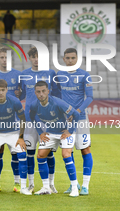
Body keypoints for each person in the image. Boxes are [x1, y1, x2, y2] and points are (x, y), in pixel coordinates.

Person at [20, 46, 61, 193]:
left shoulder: (51, 73)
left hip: (47, 120)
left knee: (47, 152)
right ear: (30, 58)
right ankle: (31, 184)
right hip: (30, 120)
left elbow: (57, 94)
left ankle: (50, 184)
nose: (36, 59)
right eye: (33, 56)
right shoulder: (24, 74)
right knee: (30, 152)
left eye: (39, 56)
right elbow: (22, 95)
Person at [29, 81, 80, 197]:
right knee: (41, 155)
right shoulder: (34, 105)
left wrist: (70, 131)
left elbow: (76, 114)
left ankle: (74, 187)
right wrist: (40, 133)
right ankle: (46, 187)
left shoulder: (57, 102)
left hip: (64, 132)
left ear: (48, 91)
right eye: (38, 92)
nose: (41, 94)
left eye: (43, 91)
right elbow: (32, 118)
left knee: (66, 155)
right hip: (50, 132)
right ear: (35, 93)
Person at [57, 48, 93, 196]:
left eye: (73, 58)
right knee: (67, 151)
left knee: (85, 149)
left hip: (81, 118)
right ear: (64, 59)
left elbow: (90, 97)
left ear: (77, 59)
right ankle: (74, 184)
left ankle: (85, 185)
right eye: (68, 58)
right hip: (65, 120)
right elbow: (56, 95)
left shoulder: (85, 75)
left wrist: (76, 112)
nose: (70, 60)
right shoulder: (59, 75)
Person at [0, 47, 23, 193]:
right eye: (2, 57)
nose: (4, 60)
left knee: (15, 152)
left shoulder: (18, 75)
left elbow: (22, 95)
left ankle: (18, 183)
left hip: (14, 121)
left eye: (7, 57)